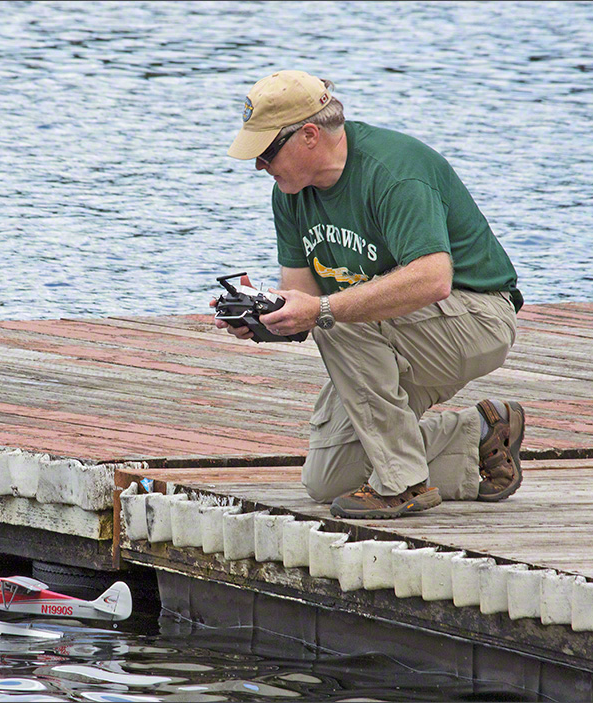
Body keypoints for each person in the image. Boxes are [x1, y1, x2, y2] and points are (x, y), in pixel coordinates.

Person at [217, 69, 525, 519]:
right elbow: (302, 301)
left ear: (308, 135)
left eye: (265, 152)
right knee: (329, 480)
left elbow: (434, 278)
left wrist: (320, 310)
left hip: (476, 318)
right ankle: (479, 432)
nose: (258, 165)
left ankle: (403, 485)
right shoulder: (290, 194)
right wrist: (261, 318)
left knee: (334, 316)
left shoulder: (394, 172)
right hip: (389, 333)